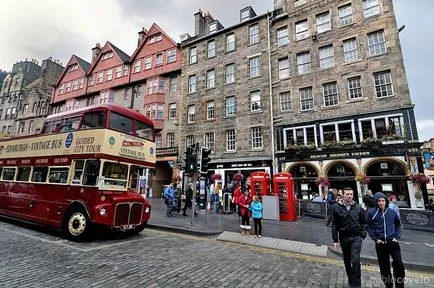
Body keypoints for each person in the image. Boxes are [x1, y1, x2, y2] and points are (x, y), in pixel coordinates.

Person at [366, 192, 405, 288]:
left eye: (383, 200)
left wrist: (397, 236)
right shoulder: (371, 213)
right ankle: (389, 285)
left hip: (393, 242)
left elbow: (398, 224)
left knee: (398, 263)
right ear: (376, 202)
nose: (381, 202)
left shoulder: (392, 212)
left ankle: (400, 285)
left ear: (386, 201)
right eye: (379, 201)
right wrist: (375, 239)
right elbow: (368, 226)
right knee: (384, 267)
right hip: (381, 244)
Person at [331, 187, 367, 288]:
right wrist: (335, 240)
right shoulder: (336, 207)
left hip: (356, 237)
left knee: (355, 261)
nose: (349, 196)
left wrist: (362, 234)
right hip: (344, 237)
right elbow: (334, 225)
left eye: (351, 194)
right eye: (347, 194)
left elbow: (364, 222)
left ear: (353, 195)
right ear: (343, 195)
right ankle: (351, 279)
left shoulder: (358, 207)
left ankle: (357, 285)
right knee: (347, 260)